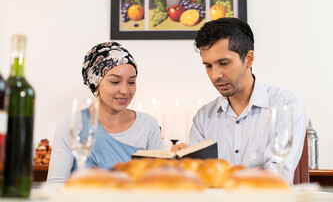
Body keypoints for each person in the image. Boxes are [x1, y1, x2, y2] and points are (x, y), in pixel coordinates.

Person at [172, 18, 307, 184]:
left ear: (249, 59)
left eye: (224, 63)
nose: (215, 75)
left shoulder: (286, 105)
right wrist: (184, 166)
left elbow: (277, 176)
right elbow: (199, 183)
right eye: (208, 66)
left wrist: (217, 176)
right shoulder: (203, 118)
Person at [47, 42, 163, 185]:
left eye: (131, 82)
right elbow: (55, 185)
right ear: (95, 83)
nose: (125, 91)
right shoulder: (71, 125)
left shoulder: (148, 126)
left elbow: (157, 186)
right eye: (115, 82)